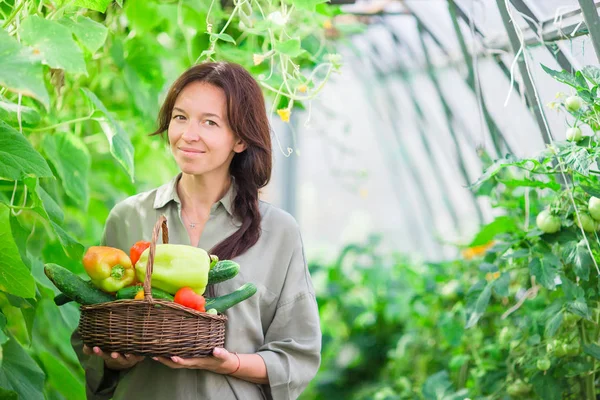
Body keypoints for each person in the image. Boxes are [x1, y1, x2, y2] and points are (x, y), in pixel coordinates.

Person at [71, 61, 322, 400]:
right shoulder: (128, 217)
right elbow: (91, 336)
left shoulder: (279, 232)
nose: (189, 134)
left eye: (210, 122)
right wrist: (114, 360)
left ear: (240, 140)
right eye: (180, 117)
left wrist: (228, 363)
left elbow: (298, 355)